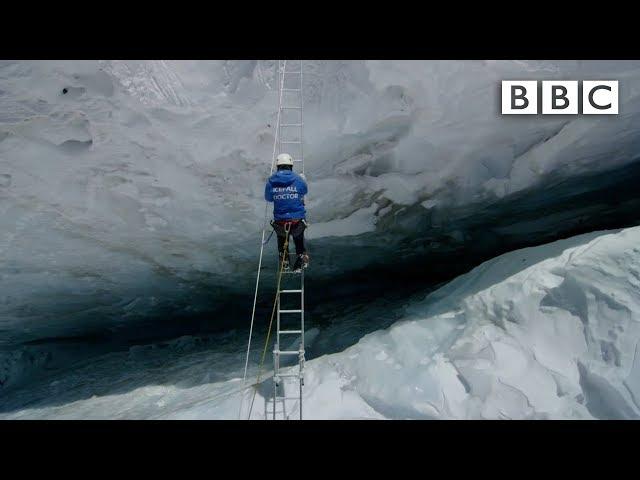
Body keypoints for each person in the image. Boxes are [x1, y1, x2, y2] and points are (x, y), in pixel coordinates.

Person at [264, 153, 310, 272]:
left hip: (281, 222)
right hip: (297, 220)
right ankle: (301, 258)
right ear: (291, 166)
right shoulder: (298, 179)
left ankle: (285, 261)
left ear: (278, 166)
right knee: (299, 238)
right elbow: (304, 191)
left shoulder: (271, 181)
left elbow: (268, 198)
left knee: (282, 239)